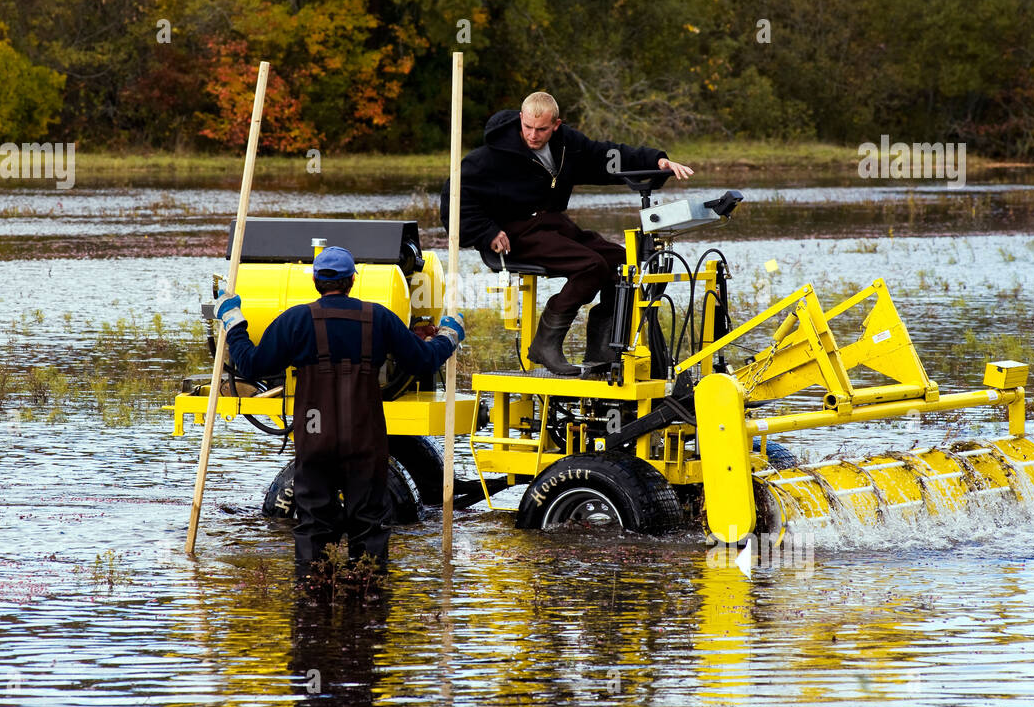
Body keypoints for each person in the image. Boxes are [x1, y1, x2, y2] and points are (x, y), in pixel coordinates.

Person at [212, 245, 464, 583]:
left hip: (315, 441)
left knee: (315, 529)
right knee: (369, 529)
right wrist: (448, 335)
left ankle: (312, 608)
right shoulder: (379, 317)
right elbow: (422, 361)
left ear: (316, 280)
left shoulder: (296, 320)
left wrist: (234, 322)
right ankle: (369, 609)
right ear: (352, 280)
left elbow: (252, 364)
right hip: (365, 443)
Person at [442, 91, 693, 375]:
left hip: (551, 224)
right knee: (591, 266)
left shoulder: (567, 145)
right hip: (512, 233)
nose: (533, 135)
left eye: (542, 129)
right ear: (521, 119)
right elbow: (454, 196)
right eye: (528, 127)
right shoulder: (493, 155)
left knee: (621, 263)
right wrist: (486, 231)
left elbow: (606, 156)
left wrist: (656, 161)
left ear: (556, 125)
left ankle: (603, 349)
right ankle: (545, 343)